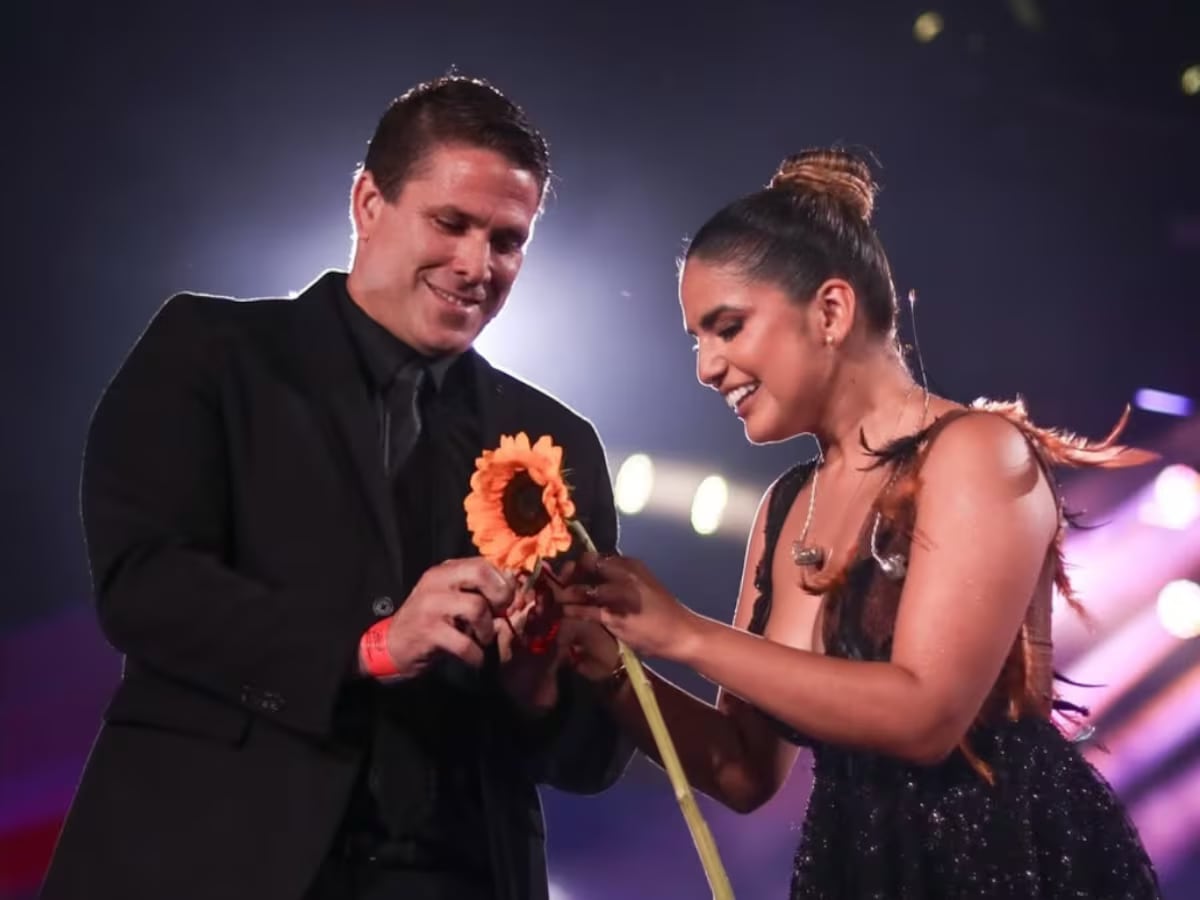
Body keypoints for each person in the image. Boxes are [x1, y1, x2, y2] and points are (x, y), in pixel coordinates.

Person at [41, 75, 630, 900]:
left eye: (506, 240)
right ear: (367, 202)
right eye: (451, 223)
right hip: (210, 860)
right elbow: (145, 586)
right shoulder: (210, 351)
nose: (477, 265)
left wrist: (535, 687)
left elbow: (593, 755)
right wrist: (368, 646)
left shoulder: (558, 442)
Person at [554, 148, 1162, 897]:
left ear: (832, 312)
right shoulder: (786, 506)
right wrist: (615, 670)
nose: (706, 368)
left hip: (1006, 872)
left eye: (728, 328)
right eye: (697, 340)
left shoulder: (974, 450)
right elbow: (743, 769)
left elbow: (926, 717)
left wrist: (683, 634)